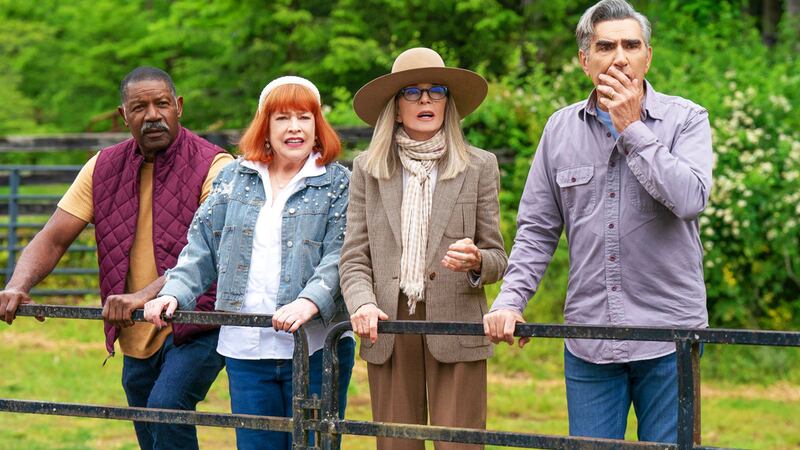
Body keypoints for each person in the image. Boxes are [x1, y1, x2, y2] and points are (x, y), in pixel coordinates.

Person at [483, 0, 713, 443]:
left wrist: (632, 128)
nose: (620, 57)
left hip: (670, 337)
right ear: (584, 60)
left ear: (648, 56)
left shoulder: (686, 119)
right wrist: (509, 301)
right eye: (606, 46)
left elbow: (689, 199)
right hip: (589, 336)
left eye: (632, 45)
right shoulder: (559, 129)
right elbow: (536, 228)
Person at [0, 66, 231, 449]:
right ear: (124, 116)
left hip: (197, 322)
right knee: (148, 427)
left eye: (162, 104)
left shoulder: (216, 165)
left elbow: (209, 251)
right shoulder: (102, 167)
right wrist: (17, 284)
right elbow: (54, 237)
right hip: (134, 332)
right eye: (140, 107)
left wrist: (145, 296)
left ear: (179, 107)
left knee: (166, 407)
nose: (153, 114)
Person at [143, 76, 355, 450]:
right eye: (282, 118)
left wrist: (308, 301)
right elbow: (202, 248)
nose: (294, 128)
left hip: (316, 348)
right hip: (246, 347)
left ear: (317, 125)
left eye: (304, 117)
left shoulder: (338, 182)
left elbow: (342, 254)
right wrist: (174, 293)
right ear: (265, 126)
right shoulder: (234, 178)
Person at [340, 47, 507, 450]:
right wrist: (362, 303)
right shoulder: (367, 168)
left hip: (457, 321)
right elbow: (354, 256)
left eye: (436, 91)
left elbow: (498, 258)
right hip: (389, 321)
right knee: (397, 444)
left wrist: (476, 262)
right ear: (396, 108)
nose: (426, 100)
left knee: (459, 444)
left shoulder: (479, 166)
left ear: (448, 104)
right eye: (412, 93)